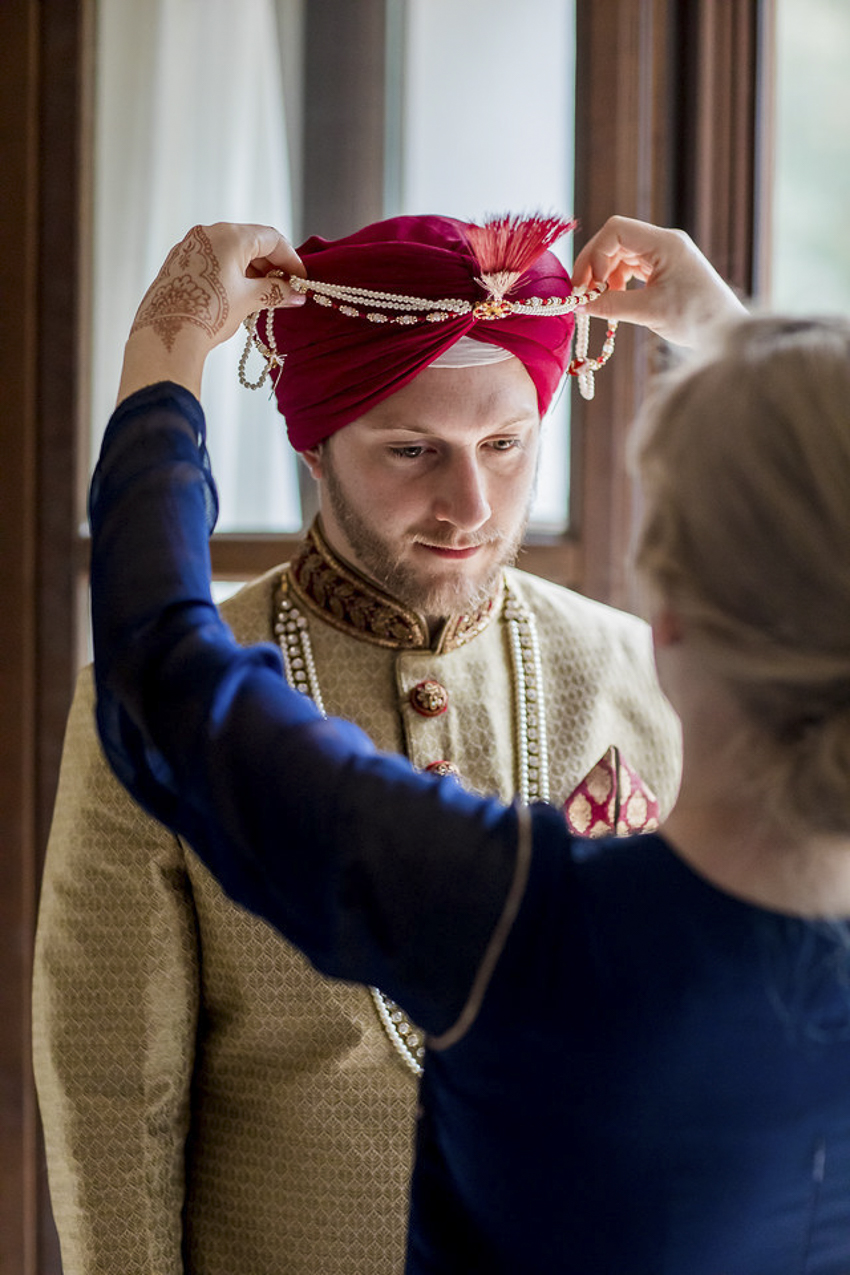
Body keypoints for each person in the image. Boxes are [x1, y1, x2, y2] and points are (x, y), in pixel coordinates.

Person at [87, 217, 850, 1273]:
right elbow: (116, 1085)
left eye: (505, 445)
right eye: (411, 450)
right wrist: (731, 339)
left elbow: (159, 670)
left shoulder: (514, 922)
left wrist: (169, 336)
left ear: (664, 623)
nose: (472, 506)